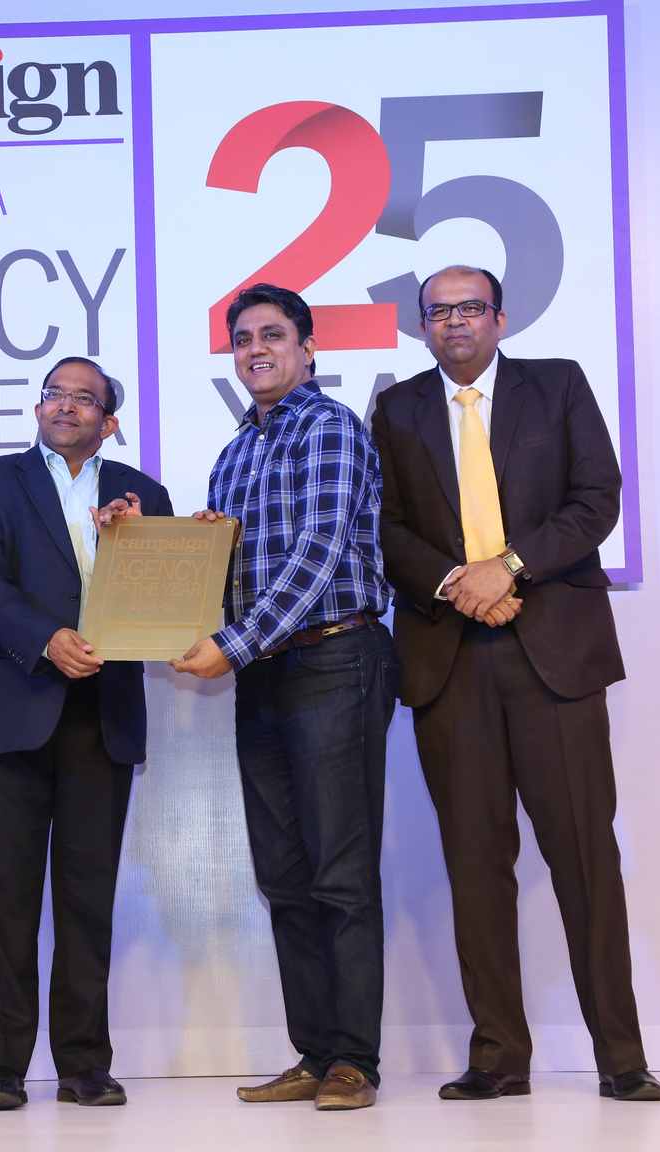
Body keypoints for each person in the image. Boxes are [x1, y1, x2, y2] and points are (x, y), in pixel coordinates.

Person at [370, 264, 660, 1103]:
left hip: (555, 656)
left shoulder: (557, 385)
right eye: (439, 312)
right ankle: (498, 1057)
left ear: (500, 319)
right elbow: (385, 526)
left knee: (584, 858)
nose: (455, 322)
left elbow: (596, 499)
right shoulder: (396, 409)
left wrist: (508, 567)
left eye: (471, 308)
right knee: (475, 865)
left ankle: (621, 1057)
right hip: (449, 658)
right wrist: (456, 583)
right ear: (422, 327)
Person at [173, 283, 396, 1111]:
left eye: (271, 335)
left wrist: (229, 645)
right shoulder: (233, 454)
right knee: (286, 876)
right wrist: (174, 553)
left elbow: (316, 553)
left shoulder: (329, 427)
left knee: (340, 870)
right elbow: (230, 574)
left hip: (334, 660)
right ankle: (316, 1051)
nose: (255, 349)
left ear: (307, 348)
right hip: (265, 672)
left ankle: (356, 1062)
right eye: (242, 339)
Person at [0, 356, 172, 1111]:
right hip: (12, 709)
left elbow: (160, 602)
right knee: (4, 898)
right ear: (38, 408)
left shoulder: (143, 496)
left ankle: (84, 1064)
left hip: (102, 718)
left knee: (87, 899)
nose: (65, 406)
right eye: (54, 394)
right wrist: (44, 638)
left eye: (84, 398)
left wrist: (133, 548)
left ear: (109, 421)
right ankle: (0, 1066)